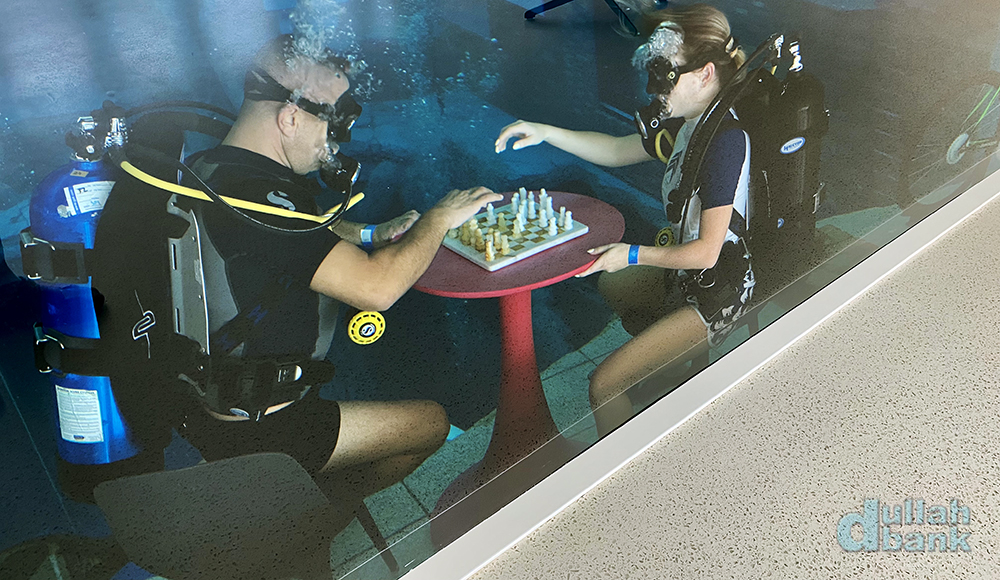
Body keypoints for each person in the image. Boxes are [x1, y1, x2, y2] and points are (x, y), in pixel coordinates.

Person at [90, 34, 502, 514]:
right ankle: (319, 516)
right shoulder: (256, 197)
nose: (334, 145)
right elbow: (377, 289)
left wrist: (368, 234)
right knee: (429, 423)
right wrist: (440, 217)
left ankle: (286, 502)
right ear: (289, 118)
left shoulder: (212, 171)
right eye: (332, 125)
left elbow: (287, 233)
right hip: (262, 428)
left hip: (207, 407)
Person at [494, 4, 753, 436]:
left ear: (705, 74)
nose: (654, 89)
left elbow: (708, 253)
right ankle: (672, 366)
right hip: (689, 275)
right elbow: (615, 150)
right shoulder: (690, 126)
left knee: (604, 385)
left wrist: (631, 254)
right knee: (612, 285)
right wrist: (546, 131)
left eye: (665, 74)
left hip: (719, 291)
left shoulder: (725, 141)